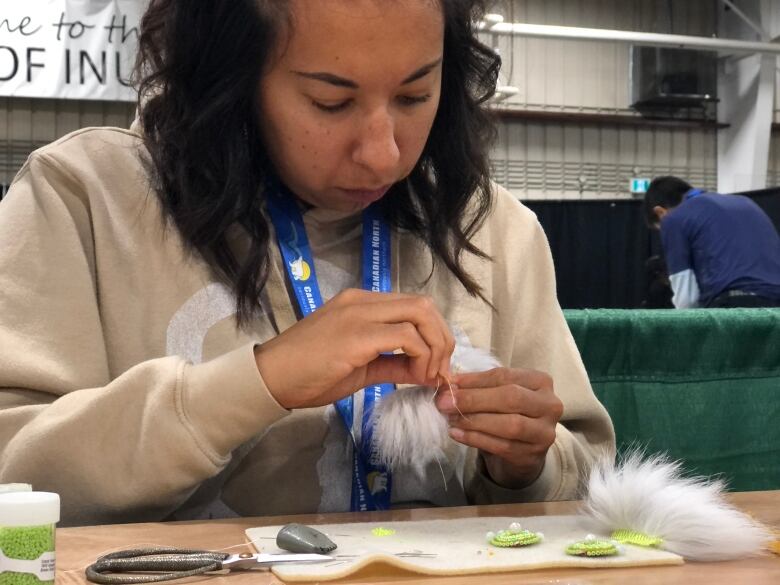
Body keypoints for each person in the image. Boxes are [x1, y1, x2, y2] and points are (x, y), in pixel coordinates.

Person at [0, 0, 614, 526]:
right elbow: (14, 472)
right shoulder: (84, 198)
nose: (382, 154)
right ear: (230, 80)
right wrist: (259, 380)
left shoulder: (489, 229)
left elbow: (591, 479)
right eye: (329, 102)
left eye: (414, 94)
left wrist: (524, 466)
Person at [644, 176, 780, 308]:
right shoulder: (746, 202)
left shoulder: (673, 218)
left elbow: (686, 299)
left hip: (734, 303)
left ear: (660, 212)